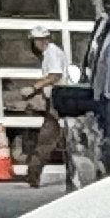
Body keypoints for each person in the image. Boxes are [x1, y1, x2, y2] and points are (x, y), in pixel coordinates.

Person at [23, 27, 81, 187]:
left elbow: (55, 76)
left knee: (47, 139)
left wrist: (33, 88)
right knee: (64, 140)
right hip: (58, 101)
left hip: (59, 102)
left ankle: (33, 176)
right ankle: (71, 177)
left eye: (36, 41)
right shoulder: (50, 53)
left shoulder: (52, 53)